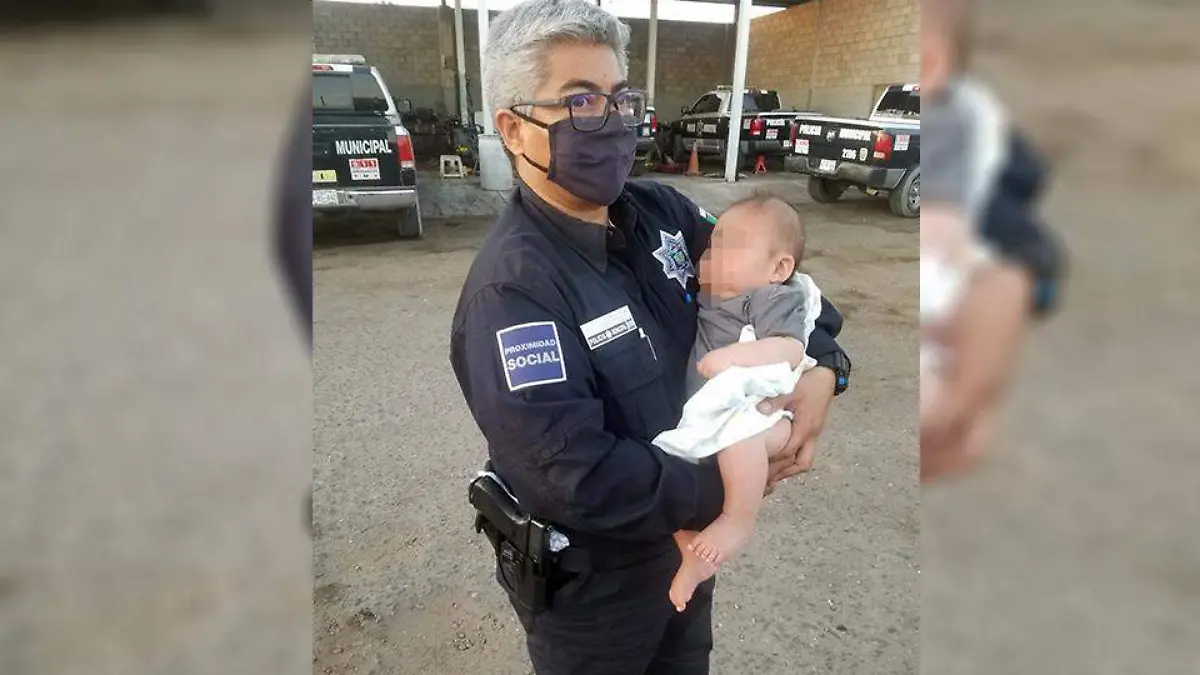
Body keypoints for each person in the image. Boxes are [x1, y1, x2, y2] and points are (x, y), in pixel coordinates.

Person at [448, 1, 852, 672]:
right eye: (581, 102)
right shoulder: (514, 293)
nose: (612, 121)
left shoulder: (662, 213)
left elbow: (787, 289)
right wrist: (728, 482)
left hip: (687, 558)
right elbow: (575, 476)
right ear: (514, 129)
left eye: (620, 98)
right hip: (596, 594)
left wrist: (824, 372)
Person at [650, 196, 823, 612]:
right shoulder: (715, 296)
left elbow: (790, 348)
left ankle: (737, 521)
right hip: (712, 414)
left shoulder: (769, 297)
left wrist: (736, 357)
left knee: (737, 440)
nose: (713, 254)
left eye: (733, 245)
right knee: (665, 463)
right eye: (713, 245)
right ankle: (690, 550)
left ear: (778, 269)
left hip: (762, 417)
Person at [920, 0, 1064, 481]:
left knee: (1004, 285)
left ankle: (958, 408)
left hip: (953, 302)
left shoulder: (975, 136)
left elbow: (1022, 250)